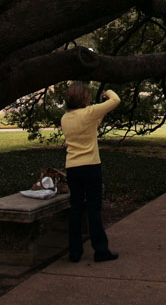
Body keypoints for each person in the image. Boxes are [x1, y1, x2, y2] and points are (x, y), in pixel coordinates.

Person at [61, 82, 121, 263]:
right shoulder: (88, 113)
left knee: (76, 209)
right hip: (91, 166)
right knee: (94, 209)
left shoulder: (65, 118)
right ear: (83, 98)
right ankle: (100, 250)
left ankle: (75, 252)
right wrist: (107, 93)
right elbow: (116, 99)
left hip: (72, 167)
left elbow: (93, 124)